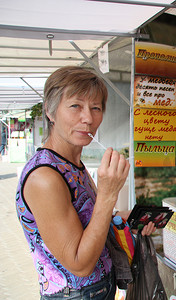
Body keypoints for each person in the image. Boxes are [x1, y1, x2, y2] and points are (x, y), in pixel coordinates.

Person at [15, 66, 156, 299]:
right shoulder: (44, 177)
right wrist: (108, 193)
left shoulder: (72, 164)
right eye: (75, 106)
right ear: (50, 111)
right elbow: (79, 264)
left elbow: (91, 220)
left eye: (96, 108)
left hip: (101, 289)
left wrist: (128, 219)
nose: (88, 118)